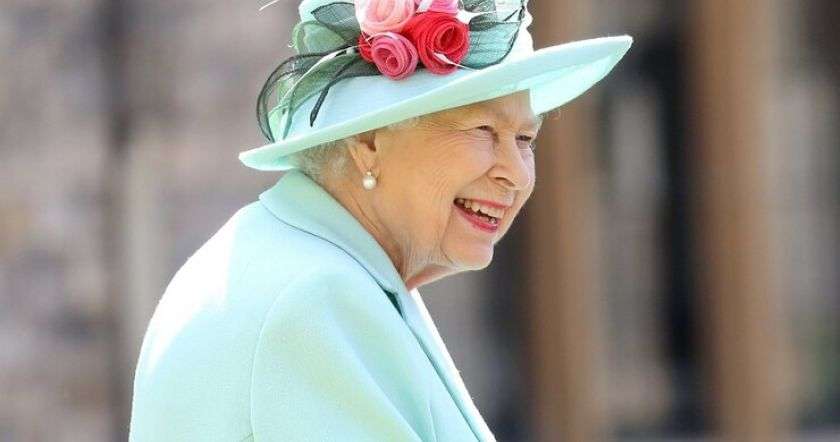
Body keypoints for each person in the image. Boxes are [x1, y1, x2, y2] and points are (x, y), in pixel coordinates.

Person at [128, 0, 632, 440]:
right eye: (482, 129)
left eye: (525, 139)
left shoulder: (328, 265)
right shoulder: (316, 297)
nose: (516, 174)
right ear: (368, 142)